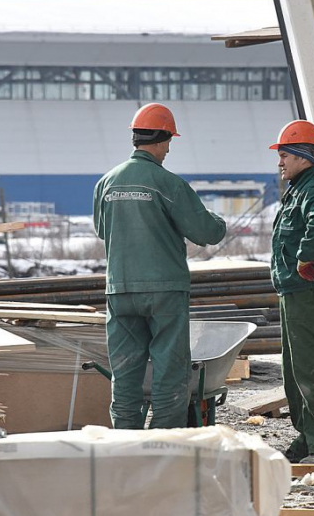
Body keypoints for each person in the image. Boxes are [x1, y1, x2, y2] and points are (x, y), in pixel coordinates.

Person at [93, 103, 227, 429]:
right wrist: (219, 223)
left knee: (124, 371)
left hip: (120, 289)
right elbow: (205, 231)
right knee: (170, 368)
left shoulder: (106, 183)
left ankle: (124, 441)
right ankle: (164, 442)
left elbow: (101, 230)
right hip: (164, 291)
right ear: (161, 139)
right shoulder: (167, 183)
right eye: (169, 142)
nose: (168, 149)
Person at [269, 120, 314, 465]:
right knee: (294, 370)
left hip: (308, 290)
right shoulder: (299, 189)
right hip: (295, 292)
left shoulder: (313, 190)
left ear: (302, 157)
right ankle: (307, 435)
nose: (280, 162)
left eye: (284, 155)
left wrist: (303, 259)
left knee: (311, 369)